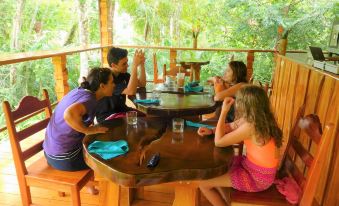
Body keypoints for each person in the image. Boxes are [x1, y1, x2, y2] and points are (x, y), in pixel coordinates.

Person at [197, 85, 283, 206]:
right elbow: (230, 127)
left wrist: (224, 112)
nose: (236, 102)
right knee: (219, 170)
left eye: (238, 100)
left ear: (245, 105)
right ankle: (227, 201)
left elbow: (219, 142)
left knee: (203, 184)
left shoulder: (252, 126)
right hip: (253, 168)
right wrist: (212, 130)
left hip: (257, 178)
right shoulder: (257, 119)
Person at [43, 67, 114, 172]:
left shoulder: (80, 91)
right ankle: (106, 187)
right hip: (65, 157)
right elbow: (69, 114)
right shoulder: (90, 99)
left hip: (50, 152)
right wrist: (88, 130)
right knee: (109, 158)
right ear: (102, 86)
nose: (114, 85)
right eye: (112, 82)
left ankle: (91, 187)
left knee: (101, 143)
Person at [96, 47, 146, 123]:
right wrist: (134, 66)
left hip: (122, 110)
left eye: (127, 62)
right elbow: (131, 91)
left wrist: (141, 65)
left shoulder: (123, 74)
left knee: (145, 116)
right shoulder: (109, 79)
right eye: (124, 64)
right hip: (108, 116)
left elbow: (142, 84)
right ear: (113, 65)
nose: (127, 65)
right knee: (139, 121)